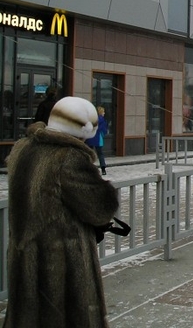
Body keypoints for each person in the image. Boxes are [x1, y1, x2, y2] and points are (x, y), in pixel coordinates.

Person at [4, 96, 120, 328]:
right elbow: (100, 207)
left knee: (27, 316)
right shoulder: (68, 158)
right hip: (59, 264)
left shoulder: (22, 148)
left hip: (24, 256)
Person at [86, 105, 109, 175]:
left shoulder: (92, 120)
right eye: (103, 112)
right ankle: (103, 169)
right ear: (101, 112)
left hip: (90, 138)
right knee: (100, 154)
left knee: (90, 154)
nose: (104, 113)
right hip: (98, 139)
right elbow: (104, 130)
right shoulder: (102, 120)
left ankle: (89, 168)